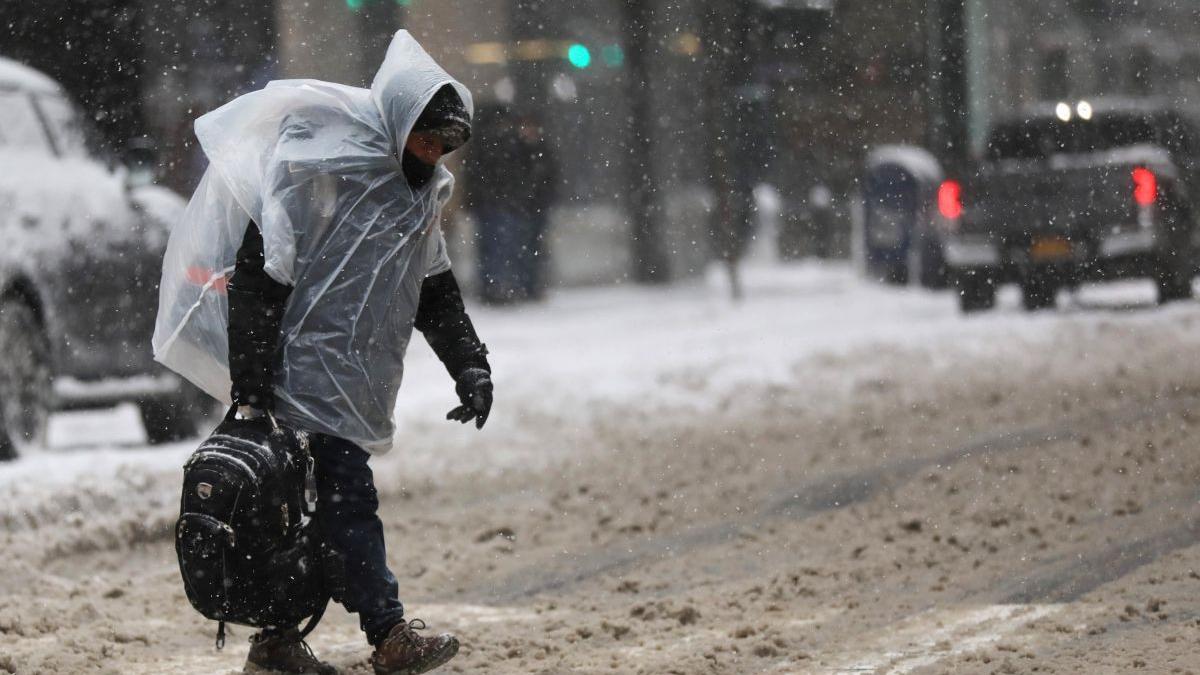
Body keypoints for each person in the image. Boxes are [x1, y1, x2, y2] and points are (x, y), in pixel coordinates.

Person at [152, 32, 491, 675]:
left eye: (445, 145)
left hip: (356, 381)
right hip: (297, 377)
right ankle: (389, 635)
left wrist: (469, 363)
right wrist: (252, 394)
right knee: (344, 504)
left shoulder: (420, 195)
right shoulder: (318, 171)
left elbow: (434, 289)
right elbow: (258, 280)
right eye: (427, 138)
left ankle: (276, 645)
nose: (434, 153)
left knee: (300, 517)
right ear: (400, 121)